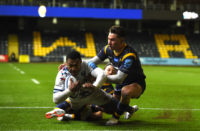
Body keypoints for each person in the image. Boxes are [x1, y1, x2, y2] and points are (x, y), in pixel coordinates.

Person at [89, 25, 146, 125]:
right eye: (108, 39)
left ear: (122, 40)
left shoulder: (128, 55)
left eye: (112, 40)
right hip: (121, 83)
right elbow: (92, 62)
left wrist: (101, 78)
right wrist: (73, 64)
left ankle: (115, 118)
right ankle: (130, 109)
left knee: (126, 92)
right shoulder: (108, 49)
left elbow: (119, 78)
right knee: (110, 107)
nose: (109, 42)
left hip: (136, 83)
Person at [45, 50, 118, 121]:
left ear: (80, 62)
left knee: (109, 110)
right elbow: (55, 99)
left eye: (76, 65)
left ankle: (65, 113)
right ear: (66, 63)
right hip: (77, 99)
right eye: (70, 65)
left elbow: (102, 75)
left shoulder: (88, 65)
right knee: (82, 110)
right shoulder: (62, 74)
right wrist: (69, 90)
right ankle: (61, 111)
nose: (73, 69)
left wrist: (95, 87)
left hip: (93, 98)